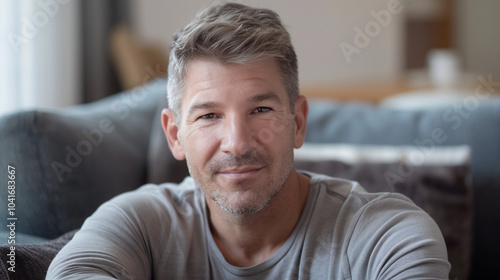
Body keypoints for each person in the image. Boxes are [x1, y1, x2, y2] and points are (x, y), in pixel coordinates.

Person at [47, 3, 450, 279]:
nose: (237, 143)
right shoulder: (136, 223)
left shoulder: (389, 234)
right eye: (209, 116)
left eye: (260, 110)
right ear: (175, 135)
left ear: (298, 122)